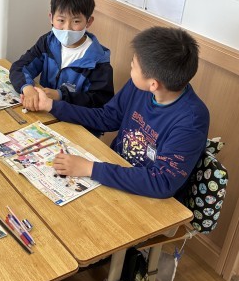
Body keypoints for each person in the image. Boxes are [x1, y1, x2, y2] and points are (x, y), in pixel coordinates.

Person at [35, 26, 210, 199]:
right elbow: (107, 118)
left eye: (133, 65)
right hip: (114, 172)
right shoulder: (141, 86)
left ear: (153, 84)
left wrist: (90, 168)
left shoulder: (192, 120)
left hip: (148, 198)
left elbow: (161, 182)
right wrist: (53, 106)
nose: (130, 68)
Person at [9, 0, 114, 114]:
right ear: (51, 18)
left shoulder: (98, 61)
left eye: (76, 21)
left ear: (88, 21)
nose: (67, 28)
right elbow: (19, 67)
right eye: (61, 20)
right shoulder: (48, 42)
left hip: (74, 120)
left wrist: (60, 96)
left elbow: (99, 101)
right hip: (45, 113)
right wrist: (27, 88)